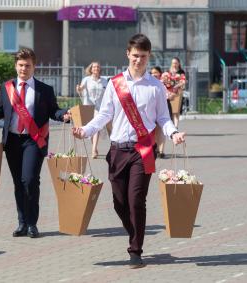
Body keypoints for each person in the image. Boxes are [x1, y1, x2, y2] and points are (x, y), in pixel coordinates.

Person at [72, 34, 186, 268]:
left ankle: (136, 249)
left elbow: (163, 117)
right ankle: (135, 230)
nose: (139, 60)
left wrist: (173, 133)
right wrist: (85, 130)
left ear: (148, 56)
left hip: (142, 150)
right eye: (135, 56)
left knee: (136, 200)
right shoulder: (115, 84)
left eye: (143, 57)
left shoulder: (155, 86)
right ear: (128, 54)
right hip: (117, 150)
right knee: (119, 203)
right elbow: (104, 114)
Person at [0, 48, 71, 238]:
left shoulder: (44, 90)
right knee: (18, 183)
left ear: (34, 67)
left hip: (34, 141)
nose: (24, 69)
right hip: (12, 141)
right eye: (21, 65)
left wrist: (63, 114)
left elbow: (53, 110)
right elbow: (1, 111)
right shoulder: (7, 88)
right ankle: (21, 223)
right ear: (16, 66)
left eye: (28, 65)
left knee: (29, 181)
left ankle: (32, 223)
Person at [75, 61, 108, 158]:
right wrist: (79, 89)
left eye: (98, 67)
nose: (96, 69)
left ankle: (94, 150)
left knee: (96, 126)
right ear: (91, 69)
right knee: (90, 129)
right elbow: (81, 89)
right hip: (88, 107)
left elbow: (107, 93)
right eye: (94, 67)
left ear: (100, 69)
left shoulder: (104, 81)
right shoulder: (86, 79)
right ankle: (94, 146)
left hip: (99, 107)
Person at [150, 66, 173, 159]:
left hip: (164, 106)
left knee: (162, 129)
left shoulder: (165, 83)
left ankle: (161, 150)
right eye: (152, 73)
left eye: (156, 72)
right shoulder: (149, 83)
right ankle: (155, 148)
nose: (154, 74)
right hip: (152, 108)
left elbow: (172, 91)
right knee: (154, 130)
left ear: (160, 73)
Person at [167, 57, 186, 128]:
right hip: (169, 94)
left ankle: (176, 126)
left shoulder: (181, 72)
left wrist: (176, 86)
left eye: (175, 63)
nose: (174, 64)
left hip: (178, 93)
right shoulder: (168, 72)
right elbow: (165, 81)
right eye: (173, 63)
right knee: (170, 111)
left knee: (176, 111)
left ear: (179, 64)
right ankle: (171, 126)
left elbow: (183, 82)